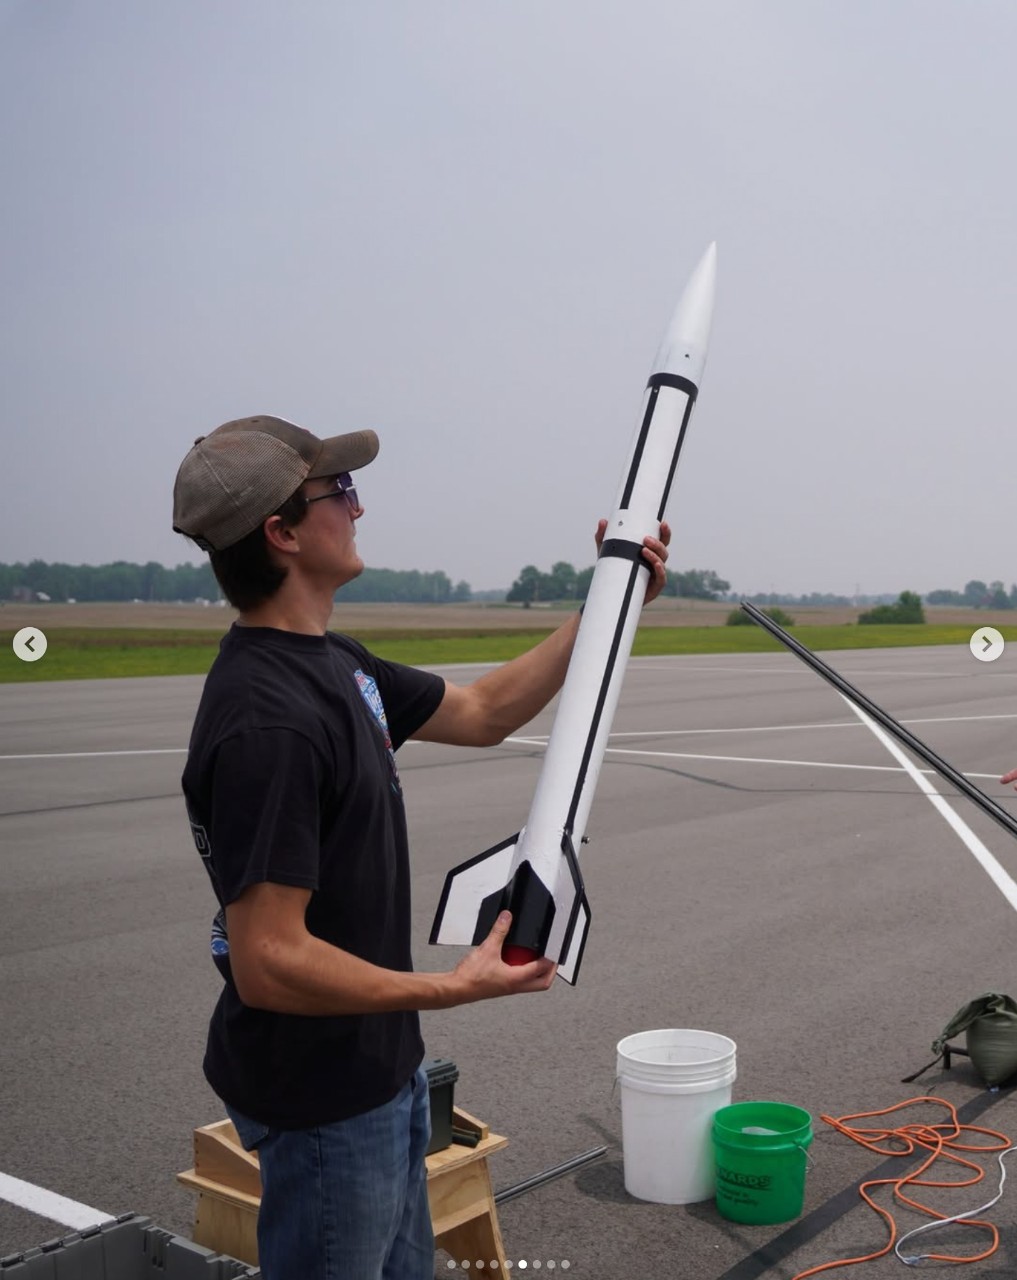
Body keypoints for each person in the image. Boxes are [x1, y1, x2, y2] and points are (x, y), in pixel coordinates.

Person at [171, 414, 670, 1280]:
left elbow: (481, 713)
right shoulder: (269, 721)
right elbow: (269, 960)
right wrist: (449, 989)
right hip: (324, 1100)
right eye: (340, 493)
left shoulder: (334, 664)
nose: (359, 510)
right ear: (282, 534)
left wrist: (609, 600)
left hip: (379, 1073)